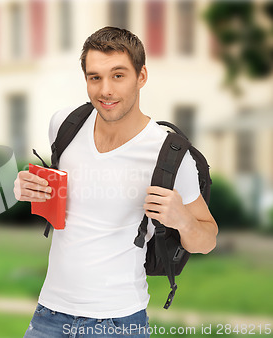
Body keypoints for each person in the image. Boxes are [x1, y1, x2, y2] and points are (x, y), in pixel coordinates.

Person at [13, 26, 218, 338]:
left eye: (118, 75)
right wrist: (27, 188)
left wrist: (183, 220)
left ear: (142, 76)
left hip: (118, 323)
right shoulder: (65, 125)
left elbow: (208, 239)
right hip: (48, 316)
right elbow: (67, 202)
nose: (105, 90)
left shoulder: (170, 155)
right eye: (95, 77)